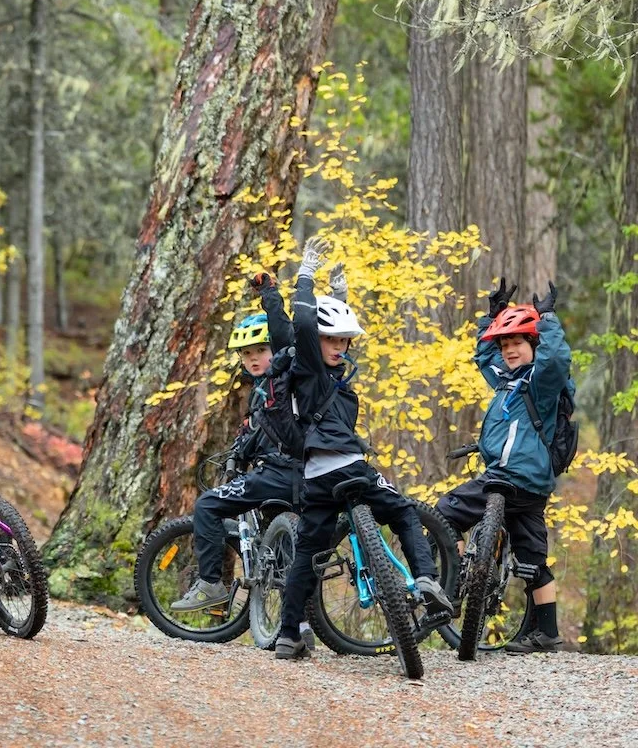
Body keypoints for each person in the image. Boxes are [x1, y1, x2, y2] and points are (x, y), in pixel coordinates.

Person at [275, 237, 453, 660]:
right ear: (314, 342)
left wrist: (339, 296)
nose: (340, 347)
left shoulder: (327, 376)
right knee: (405, 511)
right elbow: (303, 324)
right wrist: (305, 275)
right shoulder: (307, 367)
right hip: (351, 469)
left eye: (345, 341)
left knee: (307, 553)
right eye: (331, 341)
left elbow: (324, 328)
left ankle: (287, 634)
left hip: (317, 477)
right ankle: (425, 578)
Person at [170, 273, 308, 638]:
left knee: (207, 506)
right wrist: (236, 454)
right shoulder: (260, 391)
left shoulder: (284, 380)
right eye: (246, 354)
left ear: (274, 350)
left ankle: (211, 583)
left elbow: (285, 335)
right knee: (286, 542)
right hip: (298, 472)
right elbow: (252, 434)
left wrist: (270, 296)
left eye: (259, 351)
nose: (253, 359)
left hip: (282, 471)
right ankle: (298, 622)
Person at [436, 279, 569, 653]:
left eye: (518, 344)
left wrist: (547, 318)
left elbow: (556, 360)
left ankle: (450, 581)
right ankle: (546, 633)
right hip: (528, 486)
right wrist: (491, 318)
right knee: (532, 560)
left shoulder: (540, 384)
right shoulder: (506, 382)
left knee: (444, 512)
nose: (509, 351)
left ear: (534, 347)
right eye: (506, 344)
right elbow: (483, 356)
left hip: (511, 478)